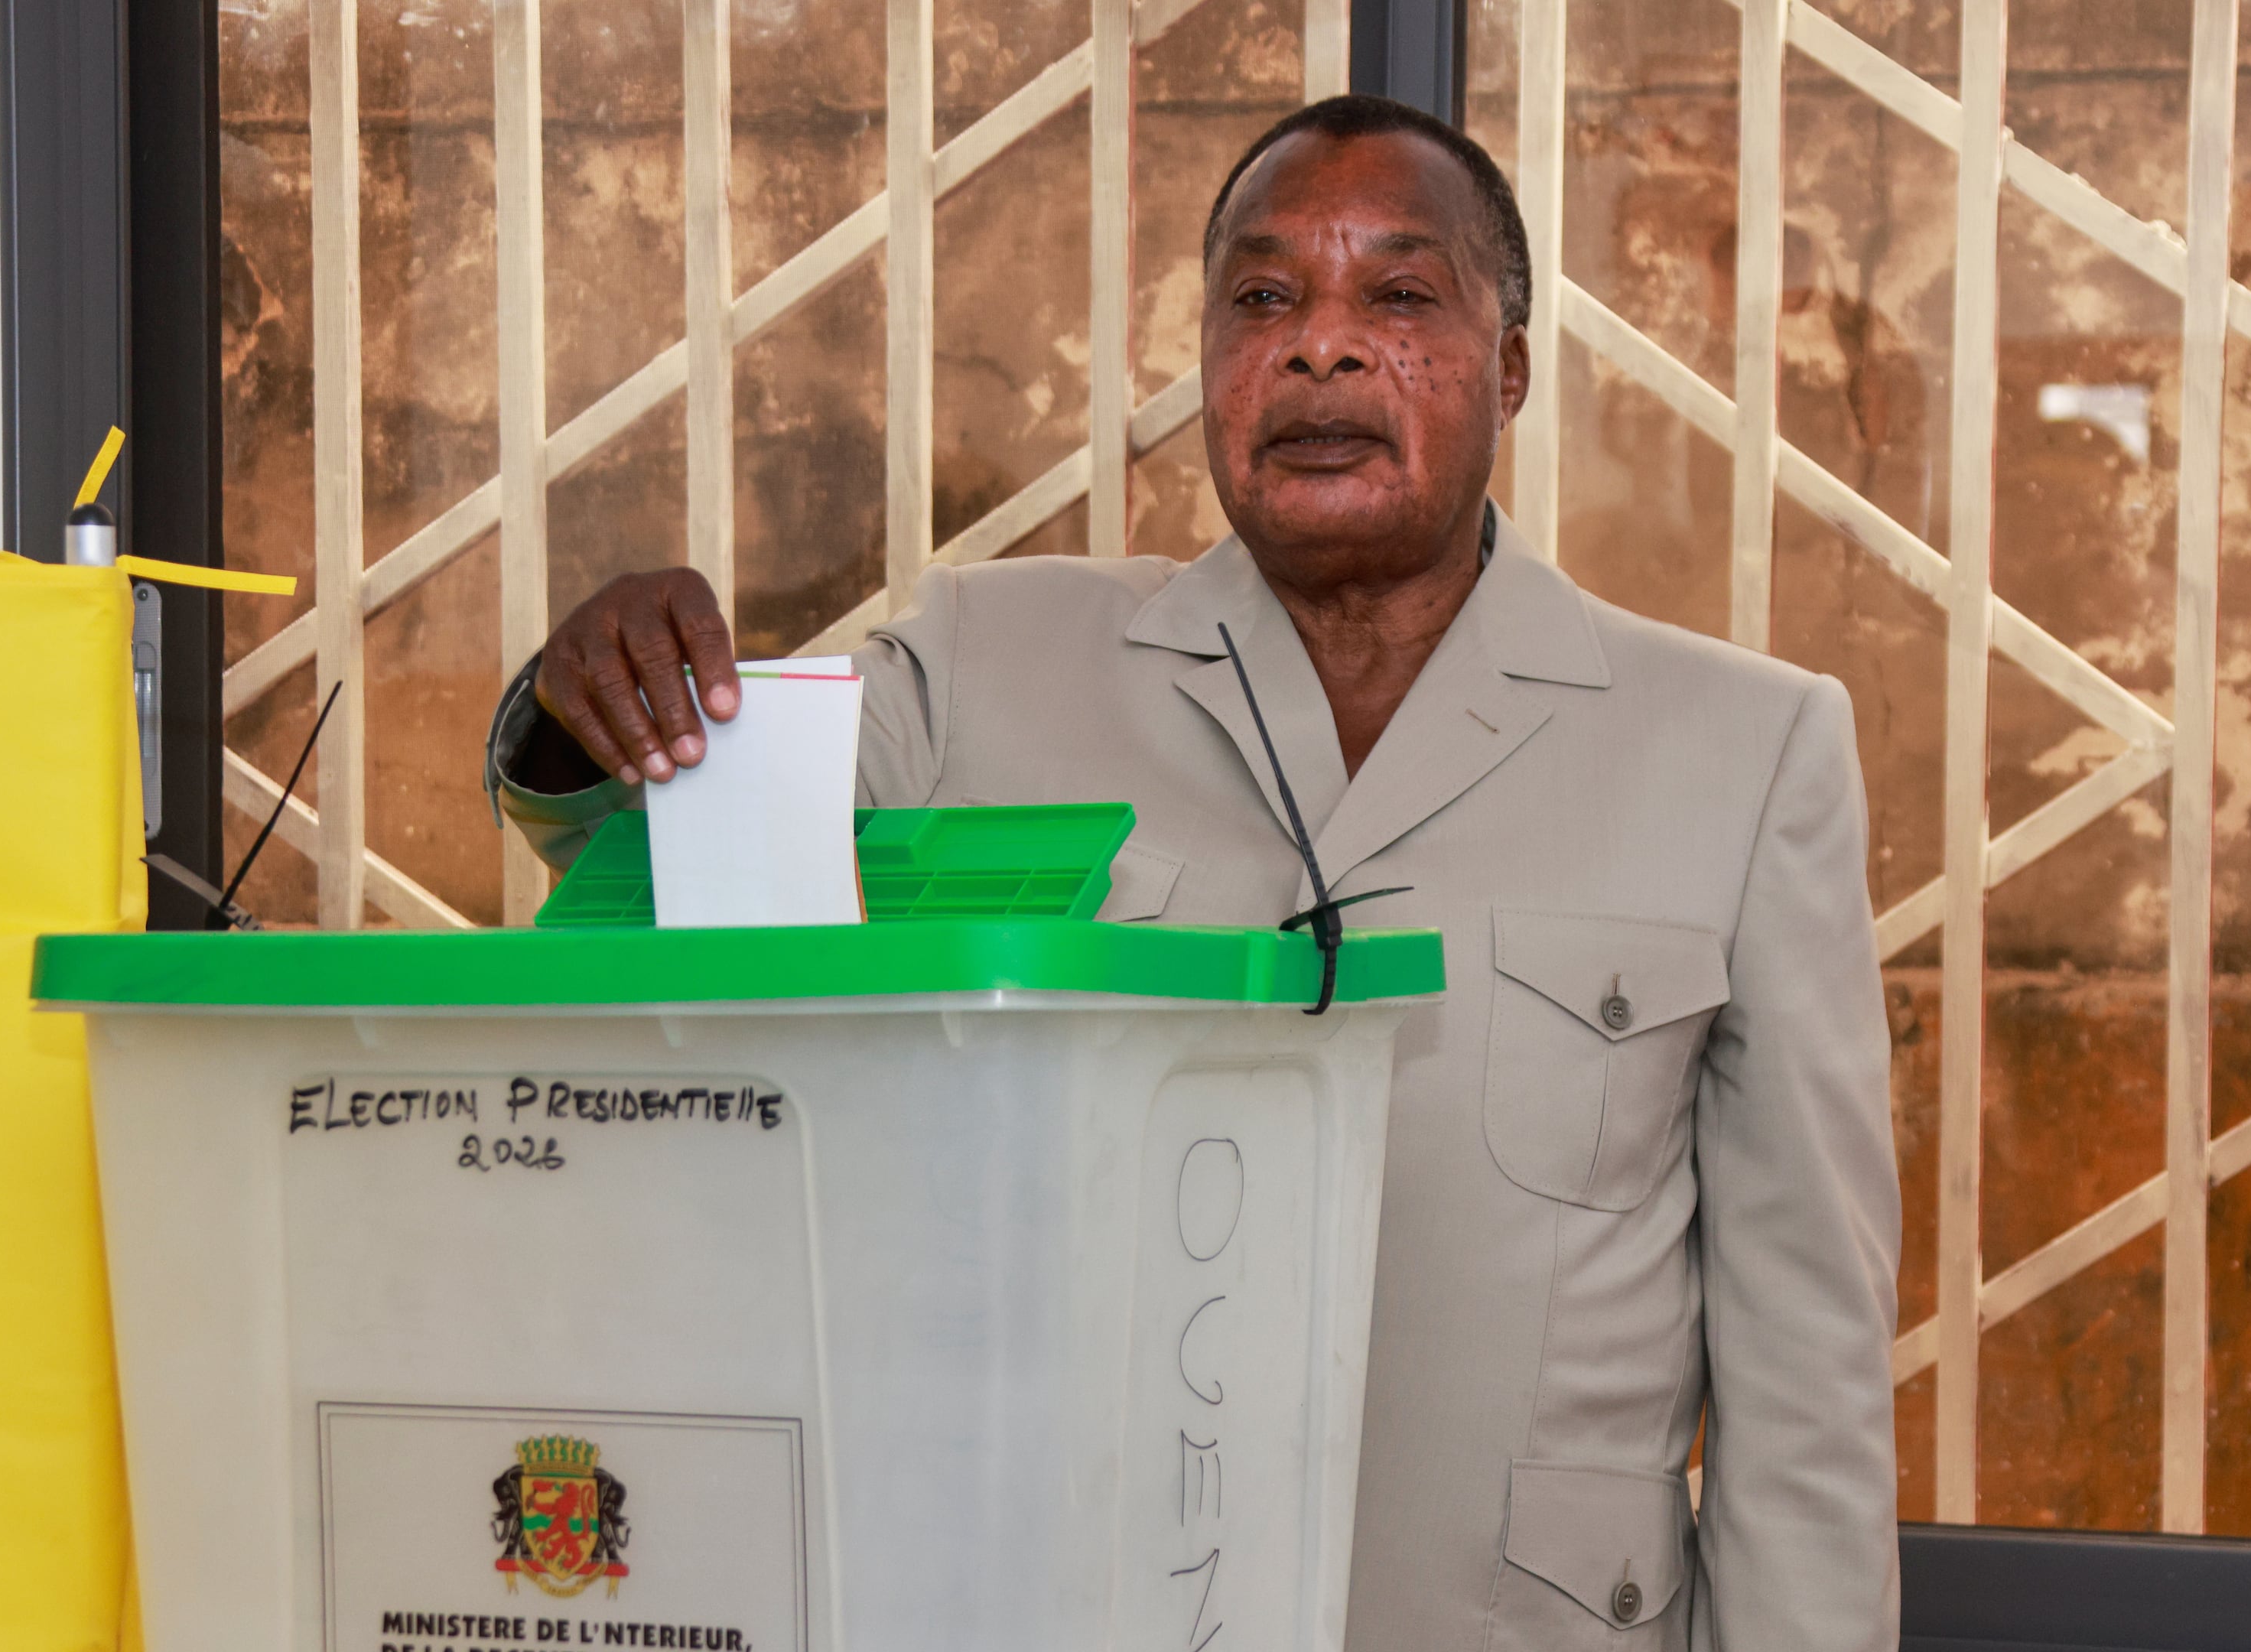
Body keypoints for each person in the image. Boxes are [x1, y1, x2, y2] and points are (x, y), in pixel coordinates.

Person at [490, 94, 1898, 1652]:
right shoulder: (984, 663)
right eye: (1264, 297)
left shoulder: (1744, 750)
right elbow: (673, 885)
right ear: (1210, 363)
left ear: (1509, 366)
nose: (1321, 348)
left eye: (1401, 297)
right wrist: (594, 711)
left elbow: (1808, 1374)